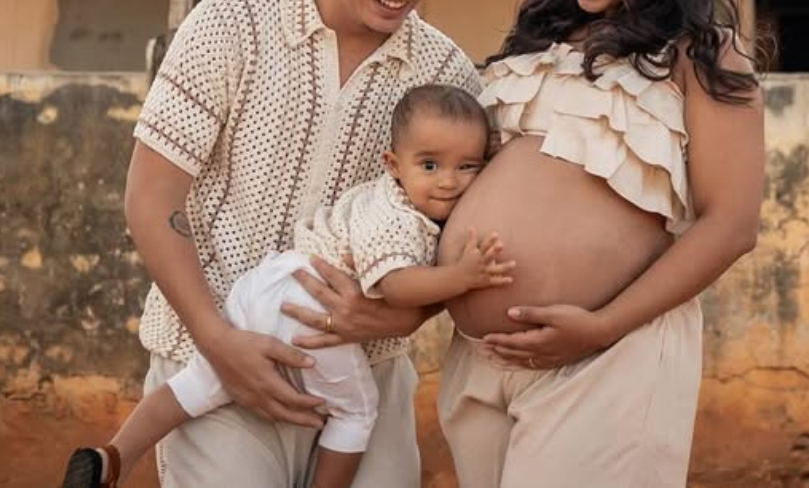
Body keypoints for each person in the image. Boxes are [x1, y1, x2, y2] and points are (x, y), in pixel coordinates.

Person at [79, 0, 482, 488]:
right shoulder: (230, 24)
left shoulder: (449, 78)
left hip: (365, 378)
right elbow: (151, 201)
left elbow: (454, 243)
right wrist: (220, 342)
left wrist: (401, 315)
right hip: (215, 365)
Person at [434, 0, 765, 487]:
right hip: (481, 362)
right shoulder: (541, 39)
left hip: (611, 356)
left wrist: (601, 326)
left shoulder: (702, 54)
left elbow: (731, 224)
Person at [63, 85, 511, 488]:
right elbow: (395, 286)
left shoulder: (385, 192)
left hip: (264, 286)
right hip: (310, 307)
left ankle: (112, 457)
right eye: (430, 165)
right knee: (356, 413)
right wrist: (461, 279)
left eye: (467, 166)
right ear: (393, 165)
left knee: (201, 383)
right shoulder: (400, 219)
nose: (448, 181)